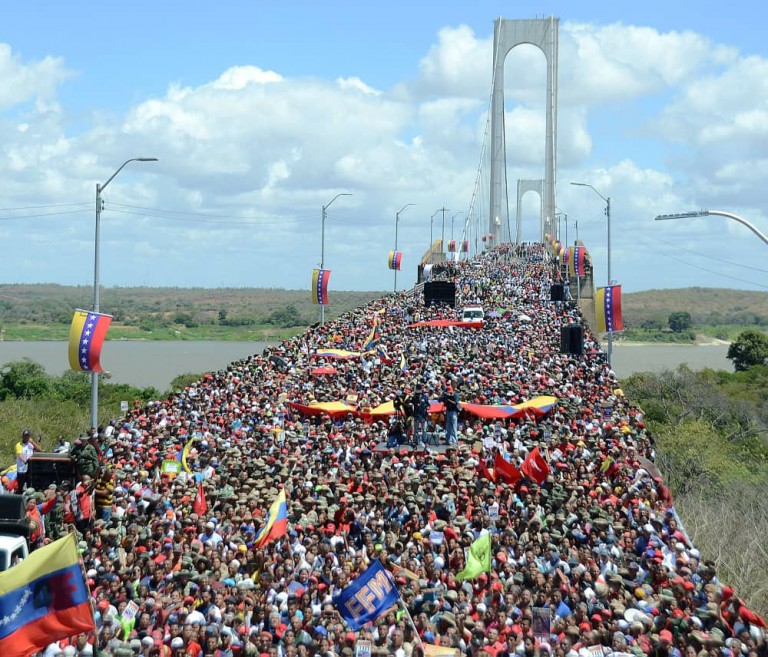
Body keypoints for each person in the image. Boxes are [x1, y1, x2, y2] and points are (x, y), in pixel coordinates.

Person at [15, 429, 39, 494]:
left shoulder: (30, 444)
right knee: (20, 486)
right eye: (25, 436)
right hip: (22, 468)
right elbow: (20, 455)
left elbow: (39, 450)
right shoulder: (19, 445)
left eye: (28, 436)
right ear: (22, 437)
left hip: (30, 468)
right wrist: (25, 461)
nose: (26, 437)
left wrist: (33, 442)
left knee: (29, 484)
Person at [410, 384, 430, 448]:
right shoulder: (414, 397)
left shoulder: (425, 397)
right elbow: (411, 404)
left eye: (419, 389)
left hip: (423, 415)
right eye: (417, 389)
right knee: (416, 429)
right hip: (416, 415)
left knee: (424, 429)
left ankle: (425, 441)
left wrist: (427, 407)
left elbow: (428, 405)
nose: (418, 391)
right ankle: (416, 441)